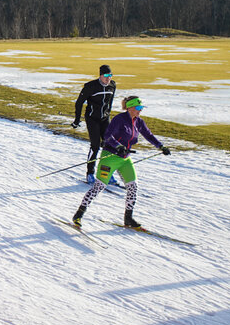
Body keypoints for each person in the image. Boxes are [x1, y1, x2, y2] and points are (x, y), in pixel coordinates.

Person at [72, 95, 170, 229]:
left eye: (141, 108)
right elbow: (107, 136)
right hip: (110, 157)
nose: (140, 110)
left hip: (125, 159)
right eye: (138, 108)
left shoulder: (139, 121)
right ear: (129, 108)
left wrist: (161, 146)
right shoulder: (119, 119)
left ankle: (128, 218)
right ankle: (78, 214)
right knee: (99, 187)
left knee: (133, 187)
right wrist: (118, 146)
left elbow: (148, 135)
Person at [72, 64, 117, 184]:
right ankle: (90, 173)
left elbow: (110, 103)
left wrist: (108, 114)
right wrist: (77, 120)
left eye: (110, 75)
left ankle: (107, 173)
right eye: (106, 76)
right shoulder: (90, 86)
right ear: (100, 76)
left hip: (105, 118)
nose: (108, 78)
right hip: (92, 118)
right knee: (95, 145)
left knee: (109, 146)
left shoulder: (112, 85)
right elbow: (79, 103)